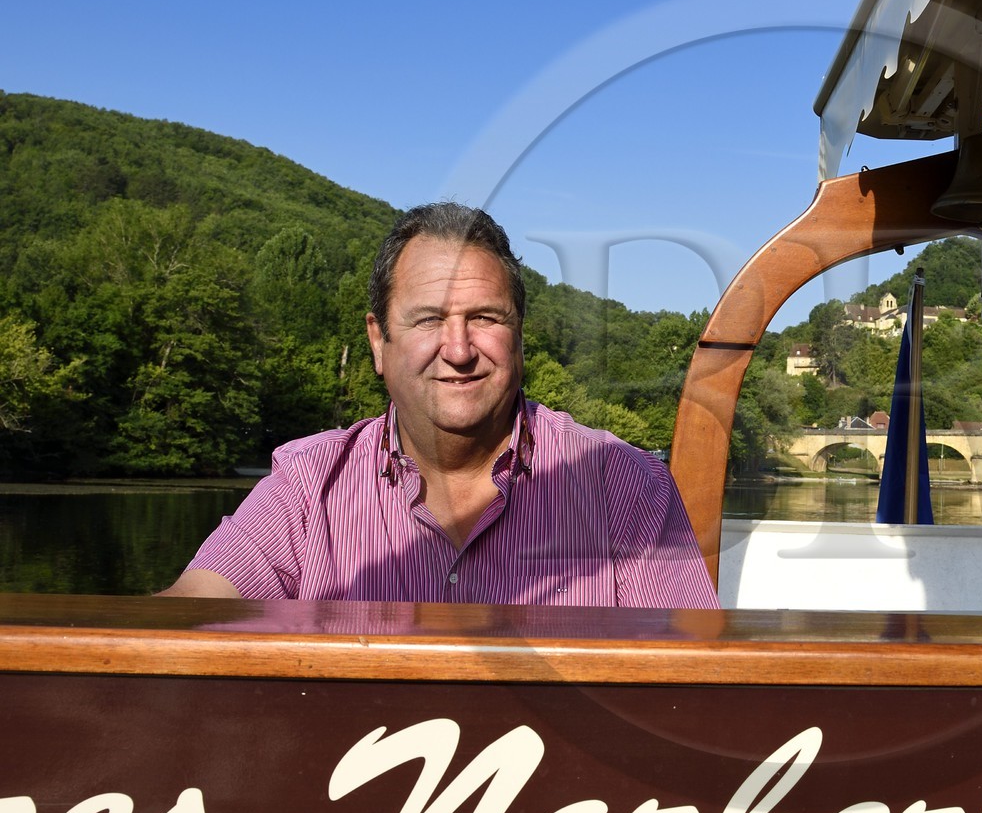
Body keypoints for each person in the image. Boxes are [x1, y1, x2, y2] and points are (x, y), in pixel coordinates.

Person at [160, 203, 718, 607]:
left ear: (519, 337)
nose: (457, 349)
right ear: (379, 342)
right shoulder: (306, 486)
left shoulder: (624, 485)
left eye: (485, 318)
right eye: (428, 319)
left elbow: (692, 686)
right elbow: (192, 610)